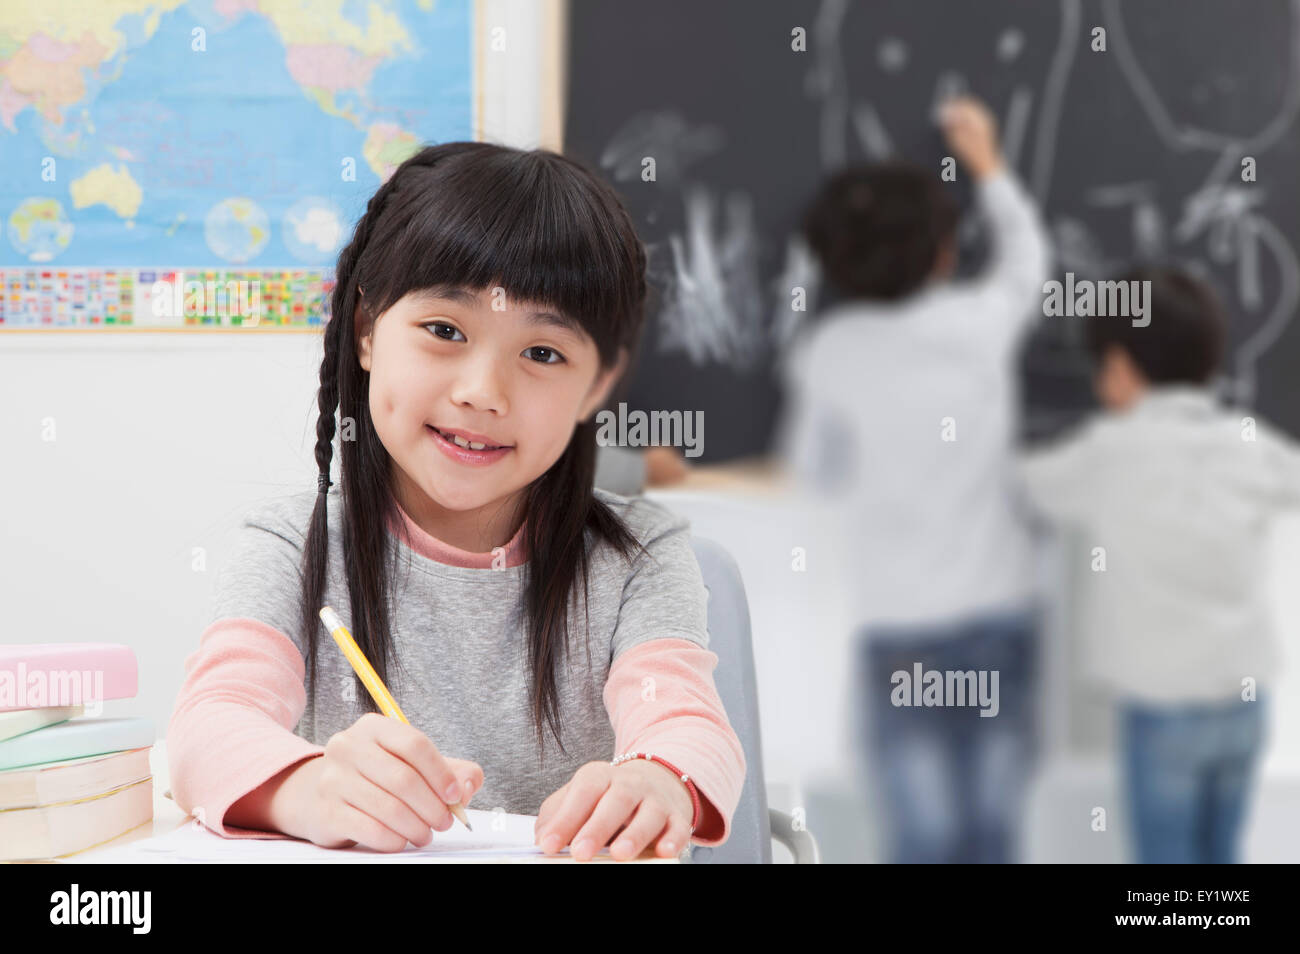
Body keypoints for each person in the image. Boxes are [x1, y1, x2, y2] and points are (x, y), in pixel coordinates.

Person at [167, 143, 746, 861]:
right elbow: (206, 728)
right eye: (445, 330)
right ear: (368, 330)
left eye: (543, 353)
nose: (482, 392)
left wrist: (659, 781)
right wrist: (311, 790)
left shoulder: (639, 556)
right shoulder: (295, 544)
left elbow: (687, 723)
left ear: (595, 388)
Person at [778, 96, 1051, 862]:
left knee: (923, 835)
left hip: (898, 631)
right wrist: (988, 163)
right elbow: (1028, 259)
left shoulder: (830, 351)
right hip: (1001, 616)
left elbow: (814, 476)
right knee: (993, 828)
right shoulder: (978, 324)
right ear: (943, 251)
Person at [1019, 266, 1300, 863]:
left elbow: (1025, 487)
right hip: (1244, 698)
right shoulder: (1250, 443)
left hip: (1163, 709)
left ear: (1119, 368)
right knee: (1220, 862)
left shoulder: (1105, 454)